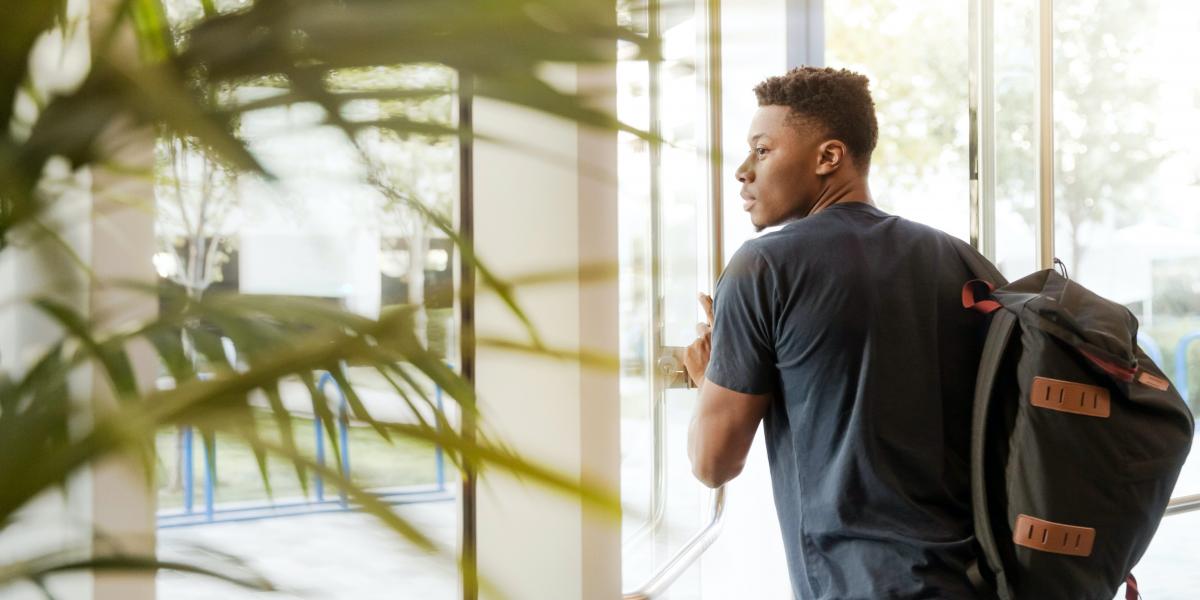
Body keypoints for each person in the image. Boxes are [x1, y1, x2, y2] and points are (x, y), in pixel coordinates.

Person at [683, 66, 987, 599]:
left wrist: (710, 377)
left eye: (761, 150)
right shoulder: (956, 257)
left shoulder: (764, 267)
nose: (741, 172)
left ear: (829, 157)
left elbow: (713, 462)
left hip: (856, 585)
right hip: (976, 578)